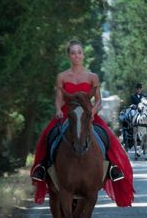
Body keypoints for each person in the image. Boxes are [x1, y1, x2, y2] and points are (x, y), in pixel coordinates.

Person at [30, 40, 134, 207]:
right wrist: (58, 109)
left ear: (83, 55)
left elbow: (98, 100)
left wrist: (91, 112)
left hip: (88, 115)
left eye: (79, 52)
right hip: (67, 114)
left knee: (106, 138)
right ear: (69, 56)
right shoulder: (62, 77)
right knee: (49, 136)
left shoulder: (92, 77)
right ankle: (43, 168)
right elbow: (58, 99)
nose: (76, 56)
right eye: (73, 53)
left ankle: (112, 169)